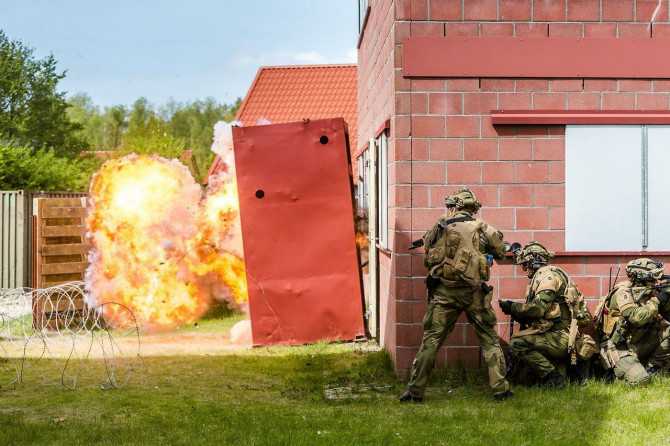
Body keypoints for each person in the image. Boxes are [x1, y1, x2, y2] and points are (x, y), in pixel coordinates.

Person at [399, 189, 513, 403]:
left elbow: (427, 250)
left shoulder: (440, 225)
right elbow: (500, 253)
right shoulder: (482, 227)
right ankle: (501, 390)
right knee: (489, 340)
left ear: (453, 207)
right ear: (473, 208)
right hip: (473, 294)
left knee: (431, 342)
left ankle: (414, 392)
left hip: (444, 294)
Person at [499, 242, 591, 388]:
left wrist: (512, 307)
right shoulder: (552, 274)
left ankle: (554, 379)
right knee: (527, 379)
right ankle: (555, 375)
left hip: (559, 336)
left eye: (526, 264)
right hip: (555, 333)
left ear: (534, 261)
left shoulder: (548, 277)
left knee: (517, 344)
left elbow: (538, 309)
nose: (525, 269)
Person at [597, 258, 670, 385]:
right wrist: (656, 301)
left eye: (657, 279)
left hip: (639, 342)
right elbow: (636, 318)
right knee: (640, 380)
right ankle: (615, 378)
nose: (656, 283)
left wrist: (668, 299)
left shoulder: (650, 291)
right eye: (652, 280)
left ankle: (652, 368)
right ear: (639, 279)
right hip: (619, 347)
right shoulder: (623, 292)